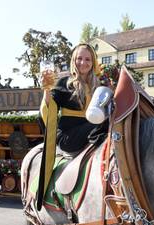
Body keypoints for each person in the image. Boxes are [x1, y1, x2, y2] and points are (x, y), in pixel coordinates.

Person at [38, 43, 108, 197]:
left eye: (88, 59)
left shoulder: (100, 85)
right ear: (73, 61)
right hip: (69, 137)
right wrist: (46, 90)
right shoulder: (63, 84)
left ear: (93, 62)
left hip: (93, 132)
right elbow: (48, 113)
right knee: (104, 124)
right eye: (79, 58)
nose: (83, 63)